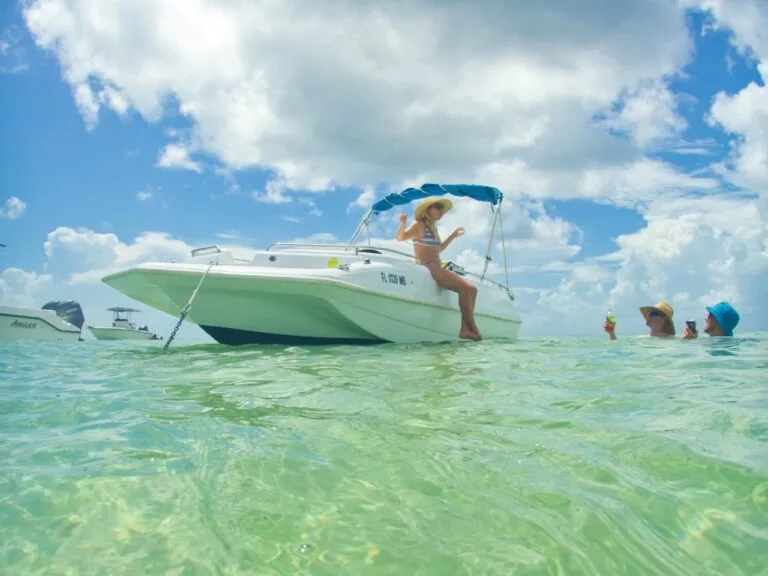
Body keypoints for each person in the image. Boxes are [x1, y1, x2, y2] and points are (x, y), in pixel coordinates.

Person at [396, 196, 481, 341]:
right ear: (428, 210)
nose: (441, 211)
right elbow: (400, 238)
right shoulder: (419, 224)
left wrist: (453, 236)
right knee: (465, 289)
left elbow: (439, 249)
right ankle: (472, 328)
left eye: (442, 209)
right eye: (437, 207)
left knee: (472, 289)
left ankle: (464, 329)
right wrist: (403, 224)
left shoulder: (433, 228)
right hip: (429, 266)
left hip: (438, 265)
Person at [605, 300, 676, 340]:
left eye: (653, 314)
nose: (648, 316)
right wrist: (611, 333)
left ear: (664, 320)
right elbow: (619, 350)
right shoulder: (640, 339)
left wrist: (687, 338)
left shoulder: (673, 340)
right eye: (649, 313)